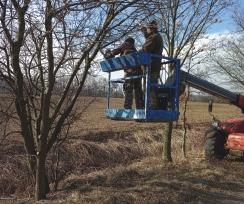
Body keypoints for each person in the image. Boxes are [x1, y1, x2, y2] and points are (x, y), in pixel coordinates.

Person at [105, 37, 144, 109]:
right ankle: (140, 108)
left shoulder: (126, 45)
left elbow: (115, 52)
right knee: (138, 90)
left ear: (126, 42)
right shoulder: (134, 50)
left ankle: (127, 108)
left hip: (130, 72)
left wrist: (109, 54)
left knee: (127, 89)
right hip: (139, 72)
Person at [141, 20, 163, 109]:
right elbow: (149, 41)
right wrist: (145, 33)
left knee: (150, 85)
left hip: (152, 65)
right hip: (154, 64)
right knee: (150, 85)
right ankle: (151, 105)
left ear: (151, 29)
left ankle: (152, 105)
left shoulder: (154, 37)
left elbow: (145, 48)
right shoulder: (155, 36)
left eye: (148, 28)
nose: (147, 30)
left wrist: (136, 54)